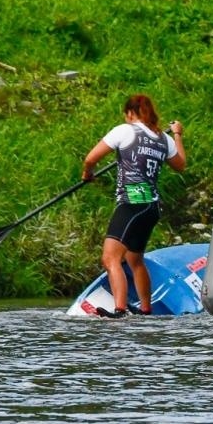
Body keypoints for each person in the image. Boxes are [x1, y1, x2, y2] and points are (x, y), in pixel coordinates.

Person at [82, 94, 185, 317]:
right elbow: (181, 165)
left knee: (110, 258)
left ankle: (119, 310)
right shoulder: (164, 139)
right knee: (134, 259)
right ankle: (145, 309)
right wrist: (177, 134)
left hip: (132, 203)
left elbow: (90, 159)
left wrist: (87, 174)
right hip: (152, 207)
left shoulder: (124, 131)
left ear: (130, 113)